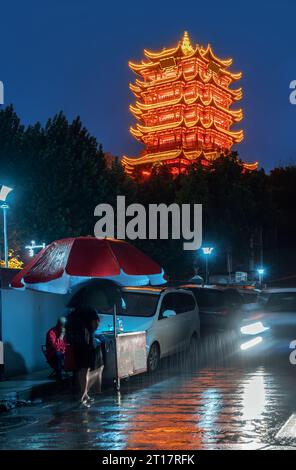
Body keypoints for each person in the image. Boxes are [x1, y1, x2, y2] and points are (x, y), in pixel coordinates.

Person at [73, 308, 105, 407]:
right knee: (86, 372)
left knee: (81, 372)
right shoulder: (92, 313)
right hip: (87, 348)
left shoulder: (77, 317)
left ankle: (85, 395)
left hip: (78, 348)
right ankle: (82, 396)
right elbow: (95, 326)